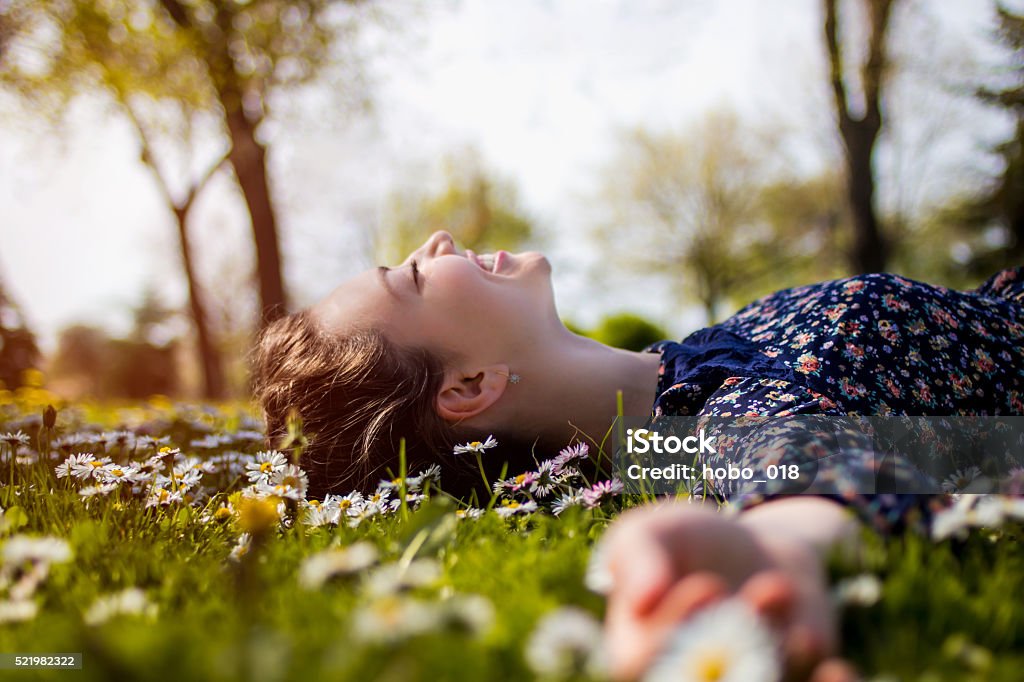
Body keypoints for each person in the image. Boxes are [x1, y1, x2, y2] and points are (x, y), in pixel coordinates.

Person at [251, 230, 1024, 680]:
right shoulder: (707, 427)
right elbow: (801, 469)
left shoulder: (696, 365)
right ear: (468, 388)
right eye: (415, 275)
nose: (439, 241)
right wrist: (773, 553)